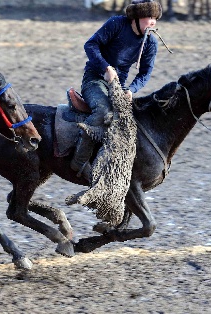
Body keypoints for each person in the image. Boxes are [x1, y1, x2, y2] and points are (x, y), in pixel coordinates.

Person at [70, 0, 163, 182]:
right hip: (94, 79)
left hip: (119, 87)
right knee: (103, 111)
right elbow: (90, 45)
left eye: (155, 19)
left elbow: (145, 74)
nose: (152, 22)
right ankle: (79, 161)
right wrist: (106, 67)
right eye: (149, 18)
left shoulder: (151, 43)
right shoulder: (116, 24)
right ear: (136, 18)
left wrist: (131, 90)